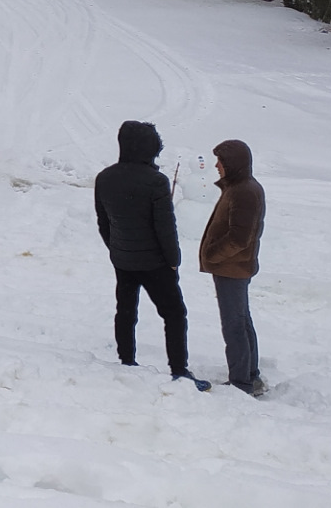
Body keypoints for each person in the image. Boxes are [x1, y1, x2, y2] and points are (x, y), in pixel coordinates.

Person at [95, 120, 199, 386]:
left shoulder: (104, 178)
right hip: (156, 264)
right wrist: (173, 261)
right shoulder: (156, 181)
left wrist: (117, 248)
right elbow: (166, 228)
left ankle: (127, 361)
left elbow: (103, 223)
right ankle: (179, 369)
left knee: (126, 310)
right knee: (174, 314)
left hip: (122, 259)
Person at [201, 140, 266, 395]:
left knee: (234, 325)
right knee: (241, 321)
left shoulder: (244, 191)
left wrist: (213, 254)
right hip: (233, 267)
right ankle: (251, 376)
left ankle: (241, 383)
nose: (216, 165)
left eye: (221, 161)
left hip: (231, 268)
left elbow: (240, 238)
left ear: (233, 164)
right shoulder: (239, 187)